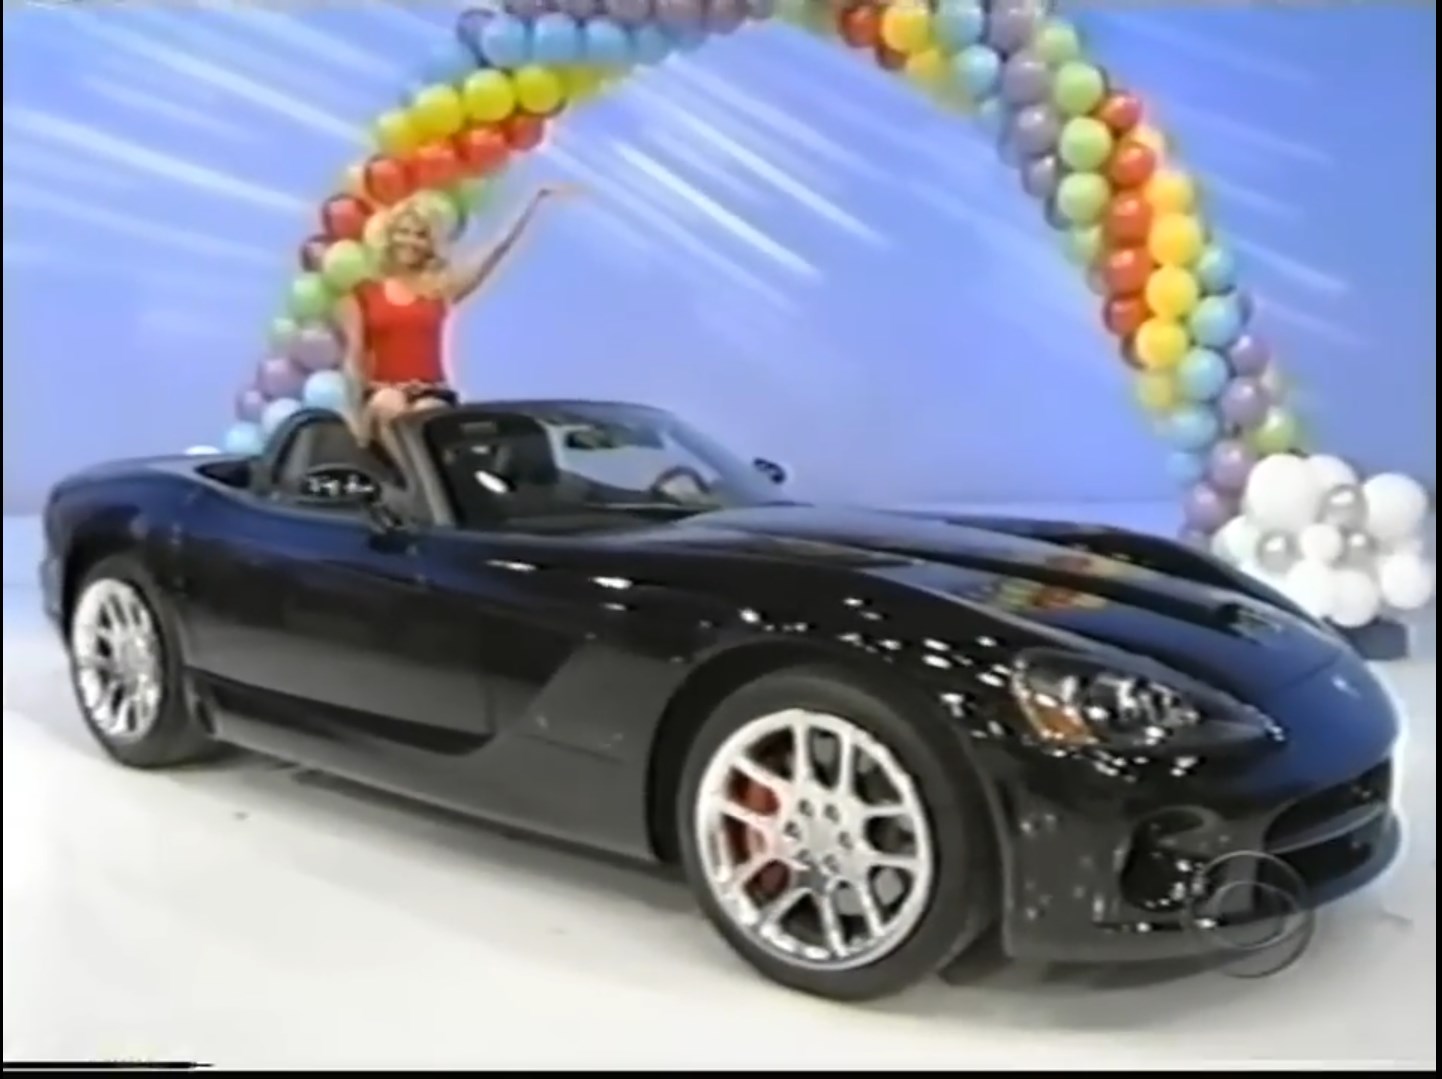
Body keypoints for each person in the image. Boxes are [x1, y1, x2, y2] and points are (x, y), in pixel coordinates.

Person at [336, 183, 577, 461]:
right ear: (390, 238)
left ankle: (424, 488)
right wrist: (352, 416)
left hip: (431, 391)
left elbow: (497, 248)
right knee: (389, 405)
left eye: (420, 235)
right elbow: (353, 361)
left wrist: (534, 201)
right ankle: (404, 477)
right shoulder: (362, 294)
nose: (411, 241)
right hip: (382, 391)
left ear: (430, 245)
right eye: (404, 232)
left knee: (424, 416)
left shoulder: (441, 289)